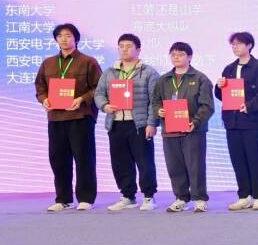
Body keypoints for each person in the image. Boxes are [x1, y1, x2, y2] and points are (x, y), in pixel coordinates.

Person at [35, 23, 101, 212]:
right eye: (60, 36)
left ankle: (86, 198)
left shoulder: (88, 61)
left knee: (84, 158)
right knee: (58, 159)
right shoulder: (48, 63)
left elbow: (99, 87)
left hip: (80, 116)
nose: (64, 39)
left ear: (76, 39)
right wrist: (44, 99)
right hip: (56, 117)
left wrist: (82, 99)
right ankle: (64, 199)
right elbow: (40, 86)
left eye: (68, 35)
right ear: (56, 40)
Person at [94, 32, 159, 212]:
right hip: (116, 123)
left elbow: (155, 100)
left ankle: (148, 196)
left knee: (144, 161)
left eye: (129, 46)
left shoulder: (148, 72)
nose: (124, 49)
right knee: (120, 162)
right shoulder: (109, 72)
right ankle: (128, 196)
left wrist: (151, 123)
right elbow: (99, 93)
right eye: (121, 46)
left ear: (138, 50)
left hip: (139, 124)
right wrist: (104, 106)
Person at [153, 41, 214, 213]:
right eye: (173, 54)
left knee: (195, 165)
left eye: (180, 54)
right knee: (175, 166)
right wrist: (159, 111)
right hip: (170, 130)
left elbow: (207, 106)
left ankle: (200, 199)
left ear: (190, 57)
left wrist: (195, 122)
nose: (176, 57)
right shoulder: (164, 79)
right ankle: (181, 198)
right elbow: (155, 101)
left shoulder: (200, 78)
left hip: (193, 130)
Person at [216, 31, 258, 212]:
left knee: (254, 159)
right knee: (237, 160)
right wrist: (218, 86)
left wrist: (250, 106)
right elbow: (222, 96)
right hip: (232, 121)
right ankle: (244, 196)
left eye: (239, 43)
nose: (235, 47)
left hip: (251, 121)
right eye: (233, 44)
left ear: (249, 45)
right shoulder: (229, 68)